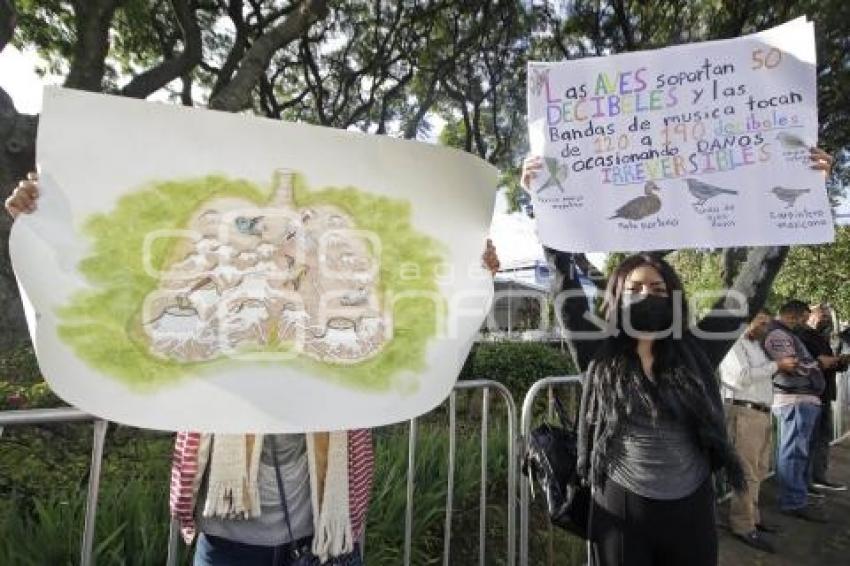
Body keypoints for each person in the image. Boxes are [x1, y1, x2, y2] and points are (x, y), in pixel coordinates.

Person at [6, 172, 502, 566]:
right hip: (229, 542)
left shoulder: (342, 311)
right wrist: (44, 220)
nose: (283, 248)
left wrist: (470, 271)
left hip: (327, 536)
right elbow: (111, 285)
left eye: (297, 236)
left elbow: (422, 325)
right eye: (263, 232)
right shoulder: (209, 308)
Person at [720, 311, 795, 553]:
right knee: (746, 472)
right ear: (746, 320)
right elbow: (741, 378)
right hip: (743, 412)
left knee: (760, 470)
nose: (765, 326)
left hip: (760, 413)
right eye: (760, 321)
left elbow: (761, 374)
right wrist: (777, 365)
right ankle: (743, 525)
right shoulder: (733, 343)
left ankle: (754, 518)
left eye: (767, 322)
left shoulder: (757, 346)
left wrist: (777, 366)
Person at [762, 300, 828, 523]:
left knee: (794, 451)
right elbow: (792, 365)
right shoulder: (778, 334)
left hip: (800, 399)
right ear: (793, 316)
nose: (804, 323)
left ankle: (794, 497)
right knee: (793, 452)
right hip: (795, 400)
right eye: (803, 319)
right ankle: (792, 501)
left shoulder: (784, 333)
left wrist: (813, 364)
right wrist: (816, 365)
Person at [796, 303, 848, 492]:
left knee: (822, 437)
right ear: (810, 316)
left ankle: (819, 476)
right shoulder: (803, 336)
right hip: (809, 394)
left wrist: (840, 362)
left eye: (827, 316)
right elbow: (812, 363)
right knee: (808, 439)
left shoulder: (821, 337)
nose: (825, 319)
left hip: (825, 393)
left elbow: (828, 363)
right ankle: (805, 481)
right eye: (822, 315)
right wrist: (829, 361)